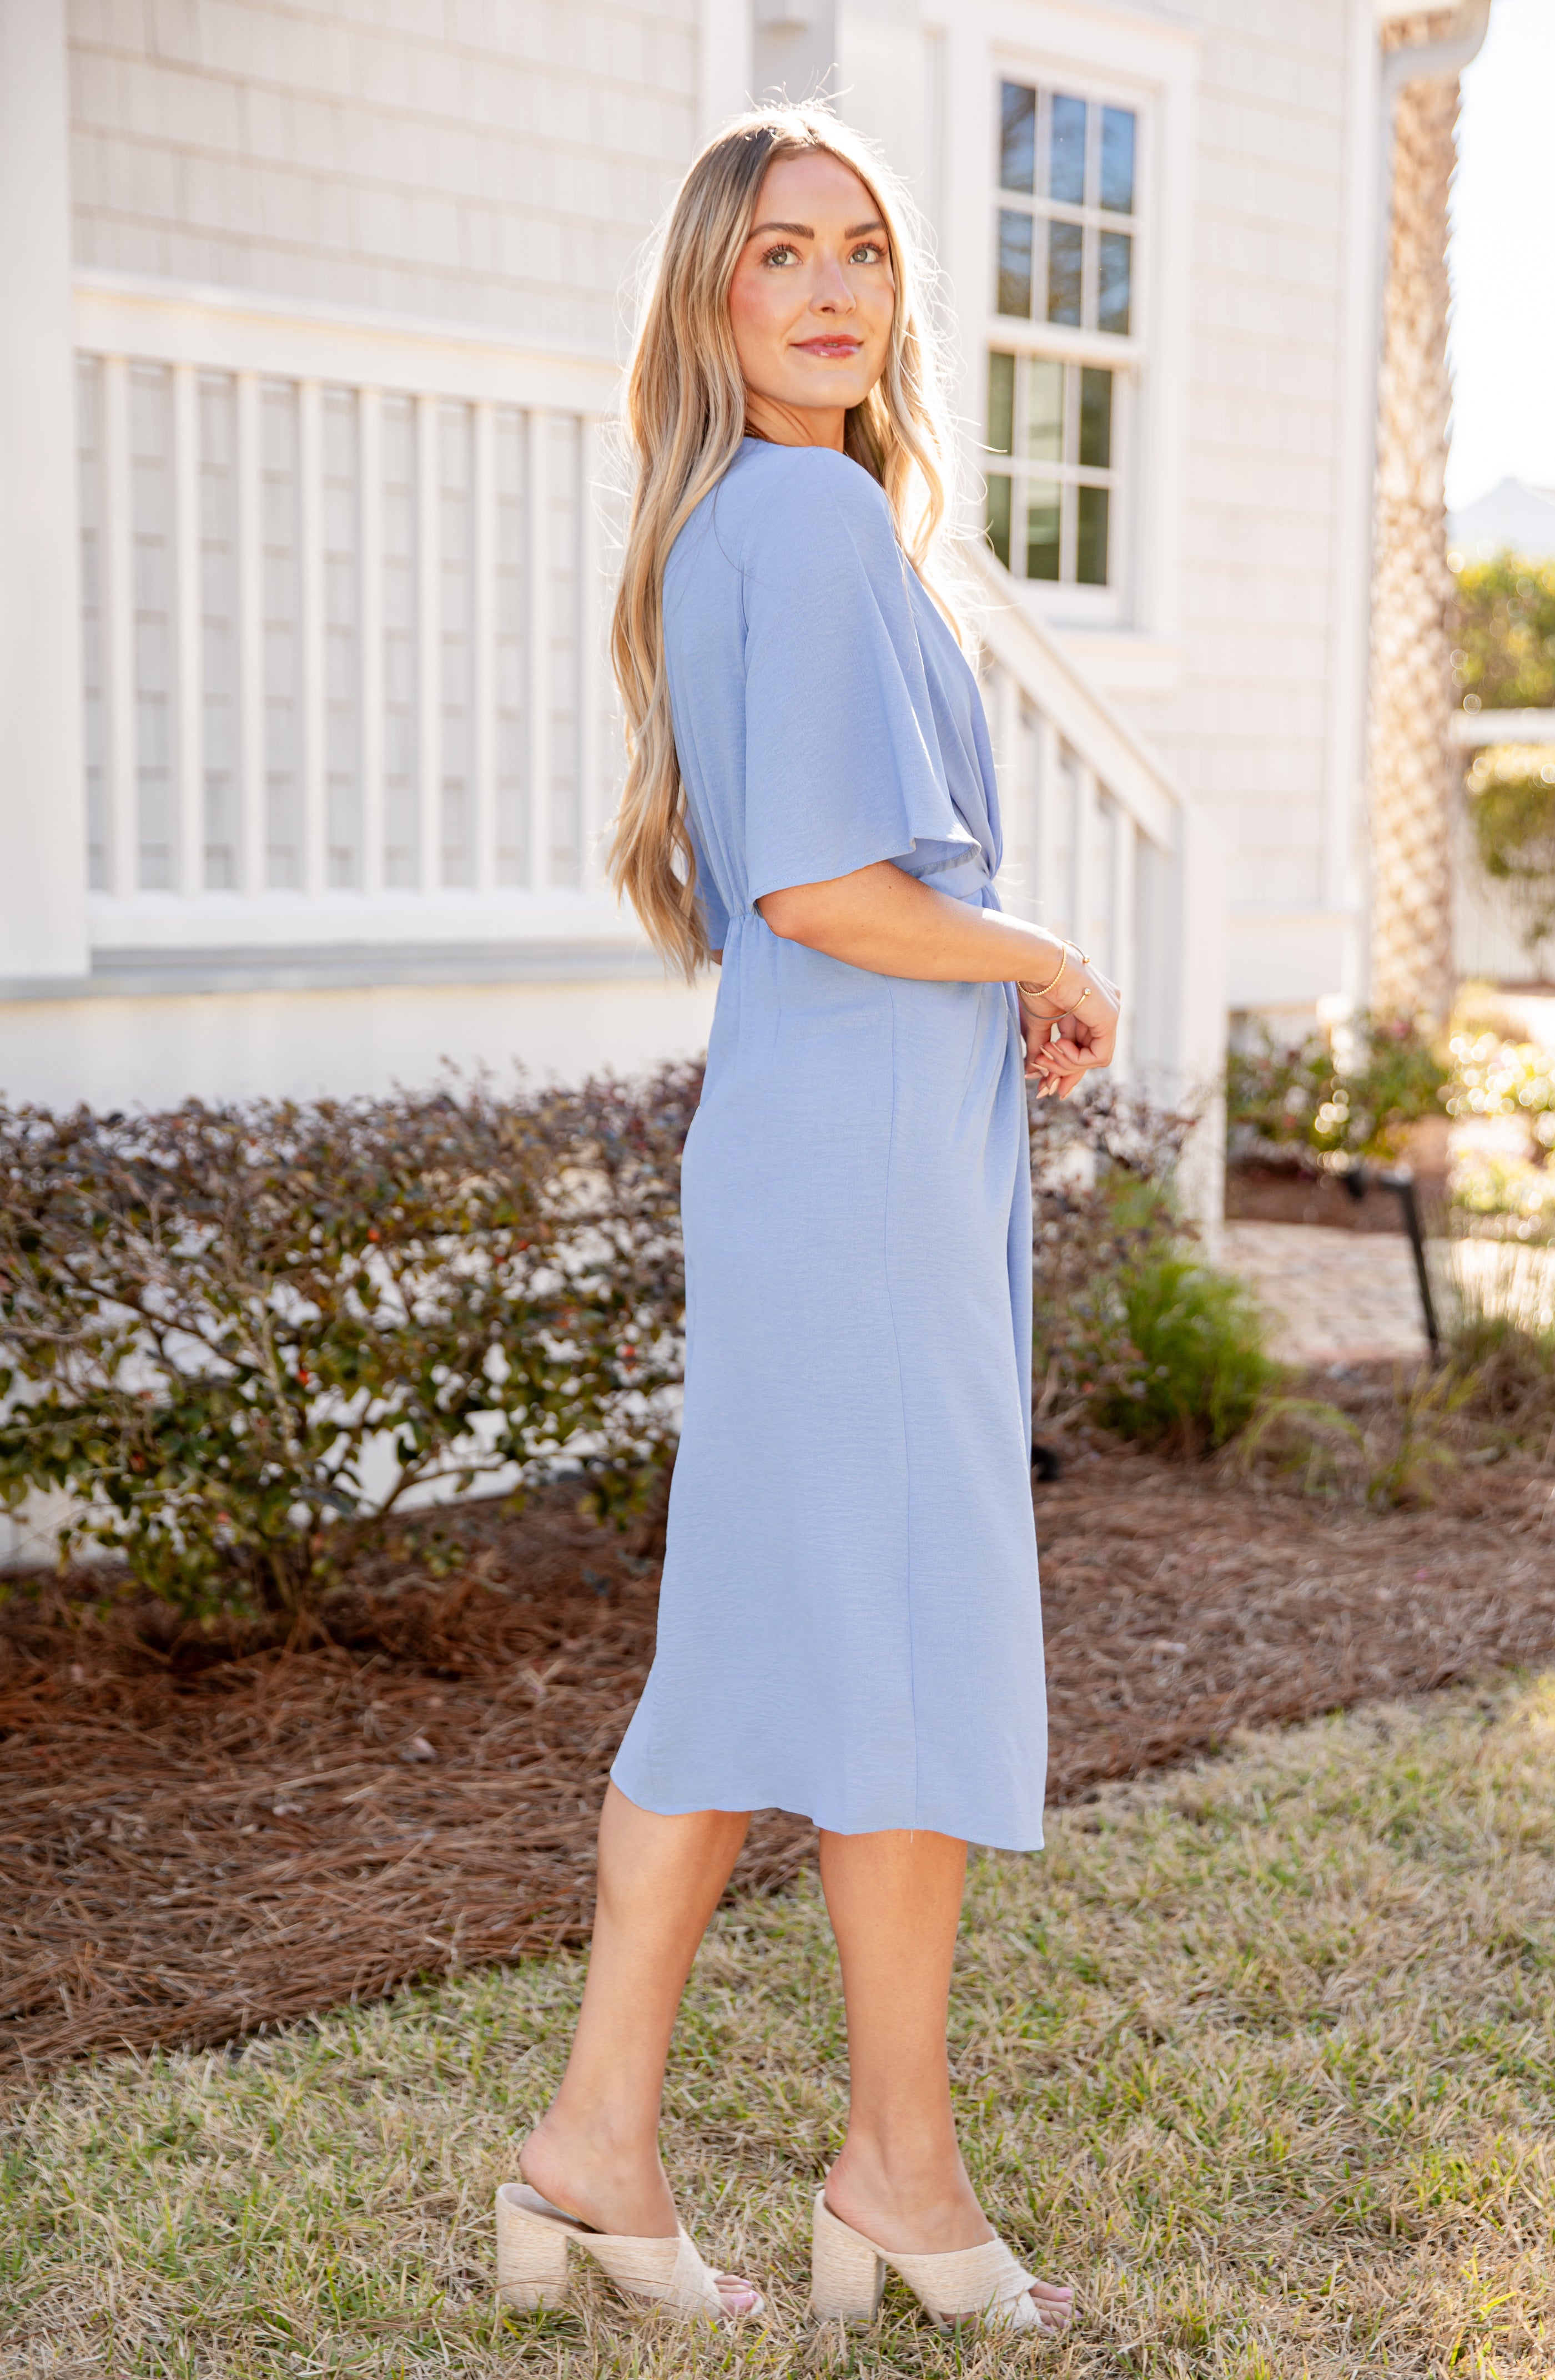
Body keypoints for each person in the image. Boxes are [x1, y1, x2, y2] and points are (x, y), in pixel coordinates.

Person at [494, 103, 1120, 2338]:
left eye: (861, 248)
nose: (832, 285)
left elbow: (828, 900)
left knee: (762, 1651)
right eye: (781, 251)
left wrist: (978, 981)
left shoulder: (740, 521)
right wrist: (1038, 952)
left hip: (820, 1152)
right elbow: (831, 893)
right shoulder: (815, 521)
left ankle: (597, 2151)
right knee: (897, 1658)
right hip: (858, 1187)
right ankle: (899, 2177)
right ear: (712, 293)